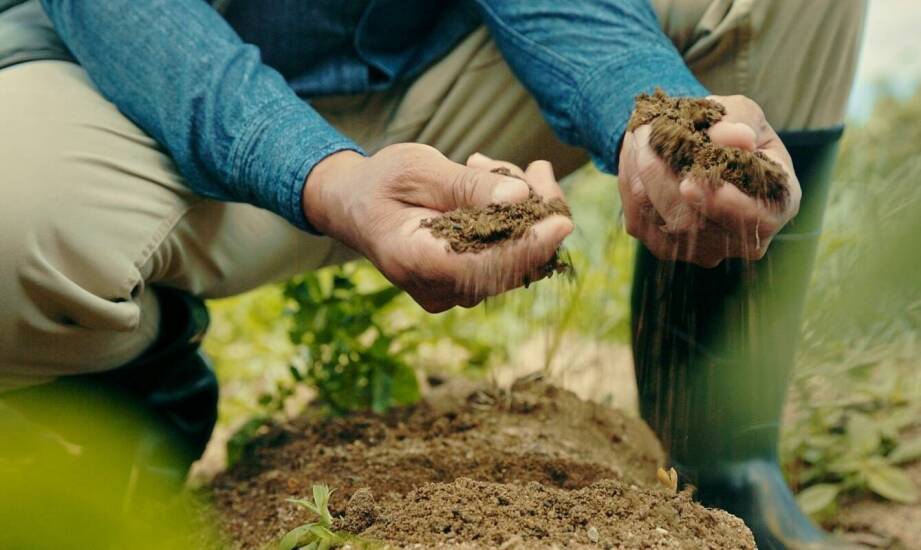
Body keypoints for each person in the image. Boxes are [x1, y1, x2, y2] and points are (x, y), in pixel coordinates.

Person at [0, 1, 866, 548]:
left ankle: (726, 469)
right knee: (14, 222)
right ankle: (130, 387)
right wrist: (328, 177)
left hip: (454, 62)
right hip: (147, 87)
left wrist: (651, 115)